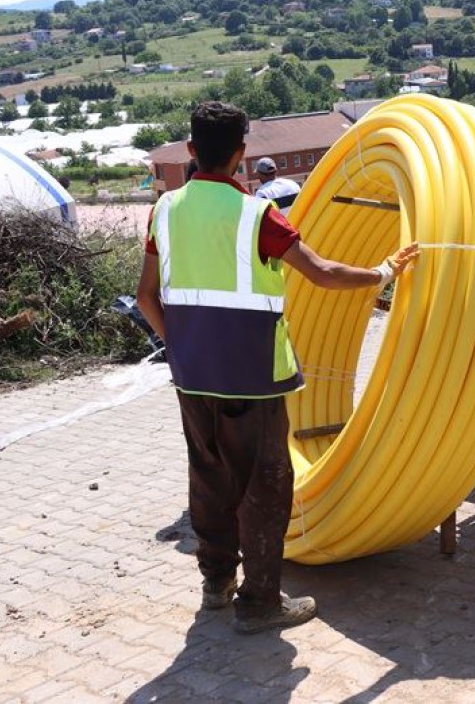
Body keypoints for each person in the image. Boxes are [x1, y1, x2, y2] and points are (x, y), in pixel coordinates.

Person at [135, 101, 418, 635]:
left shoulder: (164, 210)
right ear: (241, 155)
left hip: (192, 376)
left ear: (191, 151)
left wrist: (180, 343)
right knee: (264, 484)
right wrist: (383, 271)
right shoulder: (257, 216)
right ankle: (260, 602)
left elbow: (145, 296)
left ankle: (216, 583)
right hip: (253, 379)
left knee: (209, 476)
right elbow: (325, 273)